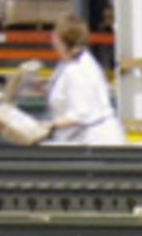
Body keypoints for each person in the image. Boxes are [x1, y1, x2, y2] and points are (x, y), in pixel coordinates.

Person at [40, 14, 125, 144]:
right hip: (79, 137)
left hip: (95, 139)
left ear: (63, 40)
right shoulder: (68, 63)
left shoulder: (78, 70)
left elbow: (81, 114)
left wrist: (50, 125)